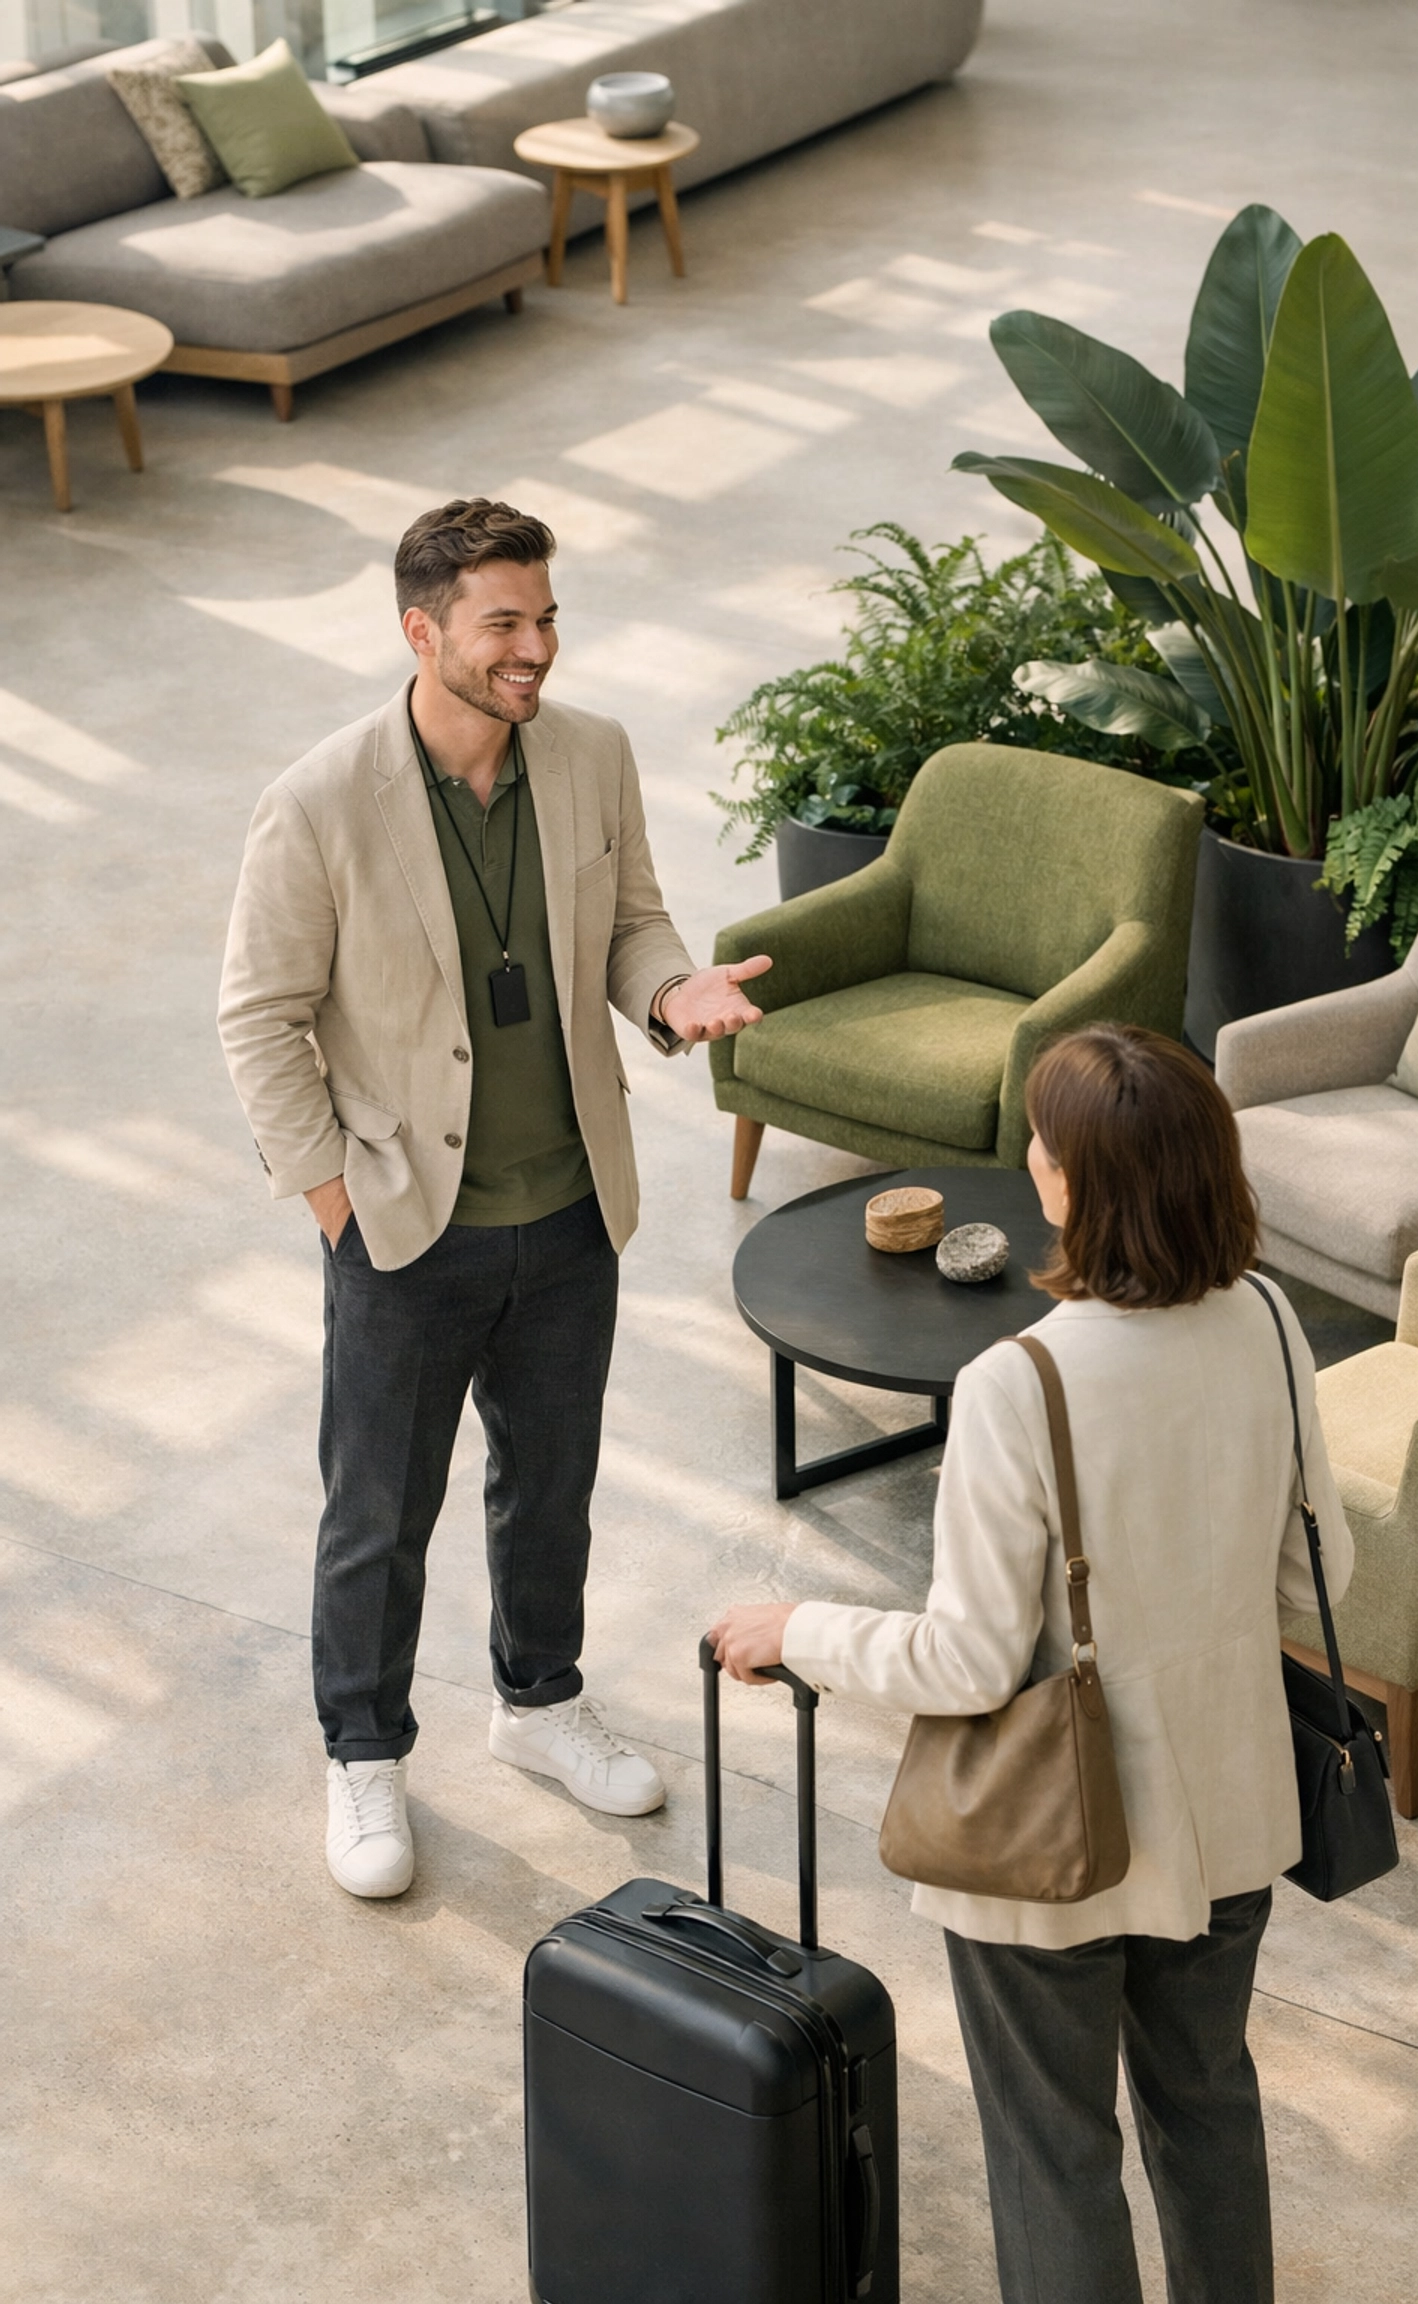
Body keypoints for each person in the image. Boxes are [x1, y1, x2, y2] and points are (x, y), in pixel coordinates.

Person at [710, 1024, 1353, 2304]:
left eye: (1046, 1143)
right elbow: (1321, 1581)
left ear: (1079, 1186)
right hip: (1232, 1812)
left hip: (1053, 1844)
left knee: (1055, 2149)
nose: (1031, 1156)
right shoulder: (1272, 1321)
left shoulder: (1023, 1382)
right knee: (1209, 2104)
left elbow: (969, 1659)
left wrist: (803, 1633)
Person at [220, 498, 770, 1900]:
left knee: (553, 1486)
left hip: (570, 1209)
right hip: (408, 1225)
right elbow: (258, 1016)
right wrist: (334, 1197)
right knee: (378, 1511)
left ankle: (538, 1704)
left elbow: (633, 916)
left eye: (546, 619)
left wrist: (668, 986)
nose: (535, 650)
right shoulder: (321, 799)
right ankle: (365, 1757)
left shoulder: (591, 757)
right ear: (424, 633)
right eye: (504, 626)